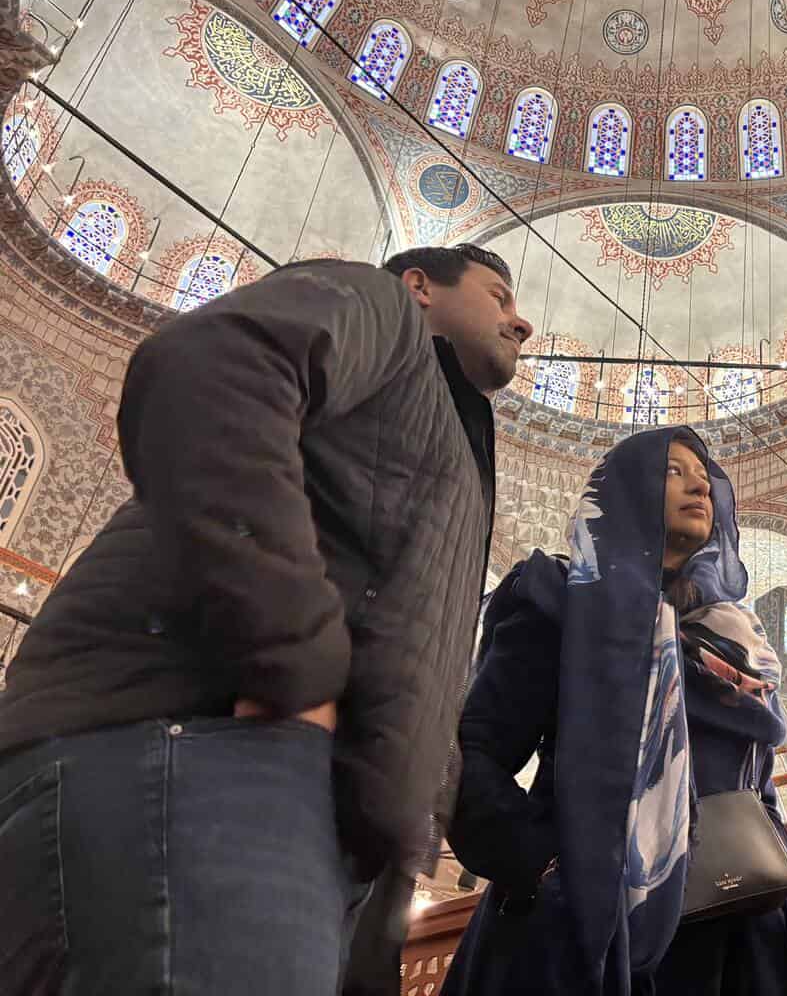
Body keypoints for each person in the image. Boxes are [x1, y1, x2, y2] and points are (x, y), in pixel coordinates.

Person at [0, 244, 532, 996]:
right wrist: (296, 665)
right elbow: (211, 368)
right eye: (498, 295)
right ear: (419, 287)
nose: (522, 321)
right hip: (206, 757)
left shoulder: (447, 435)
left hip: (287, 814)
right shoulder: (383, 316)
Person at [442, 426, 787, 996]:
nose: (699, 486)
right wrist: (539, 864)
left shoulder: (736, 646)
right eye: (673, 471)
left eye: (704, 475)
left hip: (729, 932)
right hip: (584, 927)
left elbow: (757, 788)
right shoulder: (561, 601)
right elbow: (476, 752)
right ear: (629, 489)